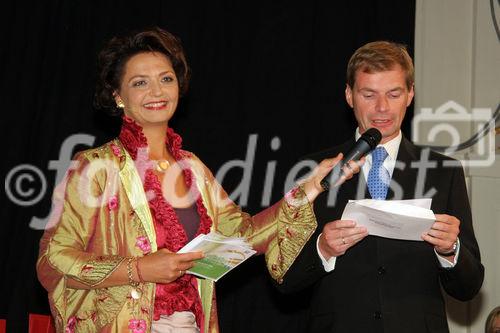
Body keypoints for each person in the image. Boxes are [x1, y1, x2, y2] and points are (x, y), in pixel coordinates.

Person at [36, 27, 360, 333]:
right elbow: (54, 259)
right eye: (140, 83)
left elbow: (245, 236)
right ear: (117, 95)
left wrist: (311, 187)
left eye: (166, 78)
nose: (157, 91)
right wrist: (138, 268)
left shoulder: (193, 169)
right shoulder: (95, 166)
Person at [277, 41, 484, 333]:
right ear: (349, 95)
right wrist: (322, 249)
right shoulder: (313, 169)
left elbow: (469, 287)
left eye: (394, 93)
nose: (382, 107)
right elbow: (283, 280)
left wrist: (451, 250)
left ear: (410, 94)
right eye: (369, 94)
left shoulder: (444, 172)